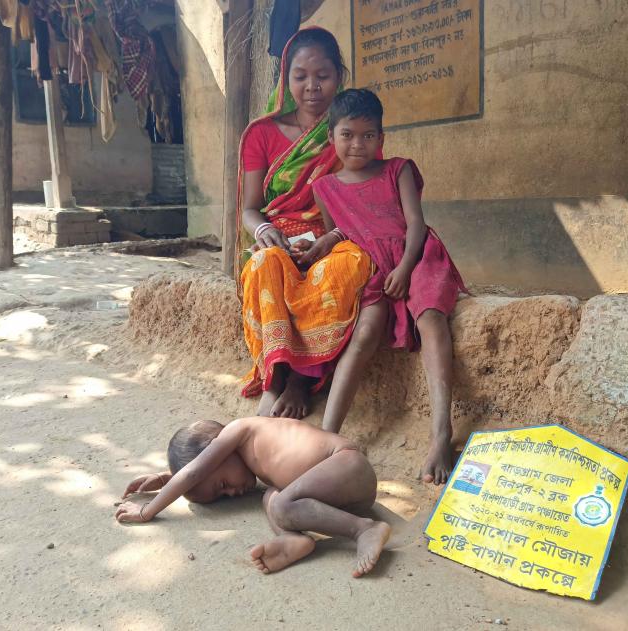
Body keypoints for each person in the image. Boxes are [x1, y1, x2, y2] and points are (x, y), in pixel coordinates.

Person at [306, 89, 468, 487]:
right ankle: (326, 437)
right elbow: (343, 231)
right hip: (373, 269)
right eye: (347, 134)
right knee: (363, 334)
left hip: (416, 255)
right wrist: (325, 243)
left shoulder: (399, 169)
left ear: (381, 138)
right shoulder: (324, 187)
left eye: (367, 135)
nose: (357, 144)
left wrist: (407, 266)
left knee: (431, 319)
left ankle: (441, 435)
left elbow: (414, 222)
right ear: (332, 137)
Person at [237, 27, 375, 420]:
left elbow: (365, 199)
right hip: (277, 235)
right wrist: (266, 233)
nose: (312, 87)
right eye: (300, 76)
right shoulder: (260, 134)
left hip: (336, 233)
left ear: (339, 76)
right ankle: (275, 377)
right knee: (267, 265)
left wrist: (328, 239)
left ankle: (301, 380)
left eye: (323, 76)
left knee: (346, 267)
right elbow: (250, 208)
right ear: (286, 78)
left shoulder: (353, 130)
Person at [114, 417, 391, 577]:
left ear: (214, 451)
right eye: (224, 495)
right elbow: (195, 472)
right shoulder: (243, 455)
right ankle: (294, 538)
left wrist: (146, 511)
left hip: (348, 466)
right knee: (270, 495)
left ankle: (363, 529)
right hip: (336, 494)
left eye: (222, 484)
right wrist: (166, 478)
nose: (232, 493)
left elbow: (194, 472)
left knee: (281, 503)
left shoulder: (239, 430)